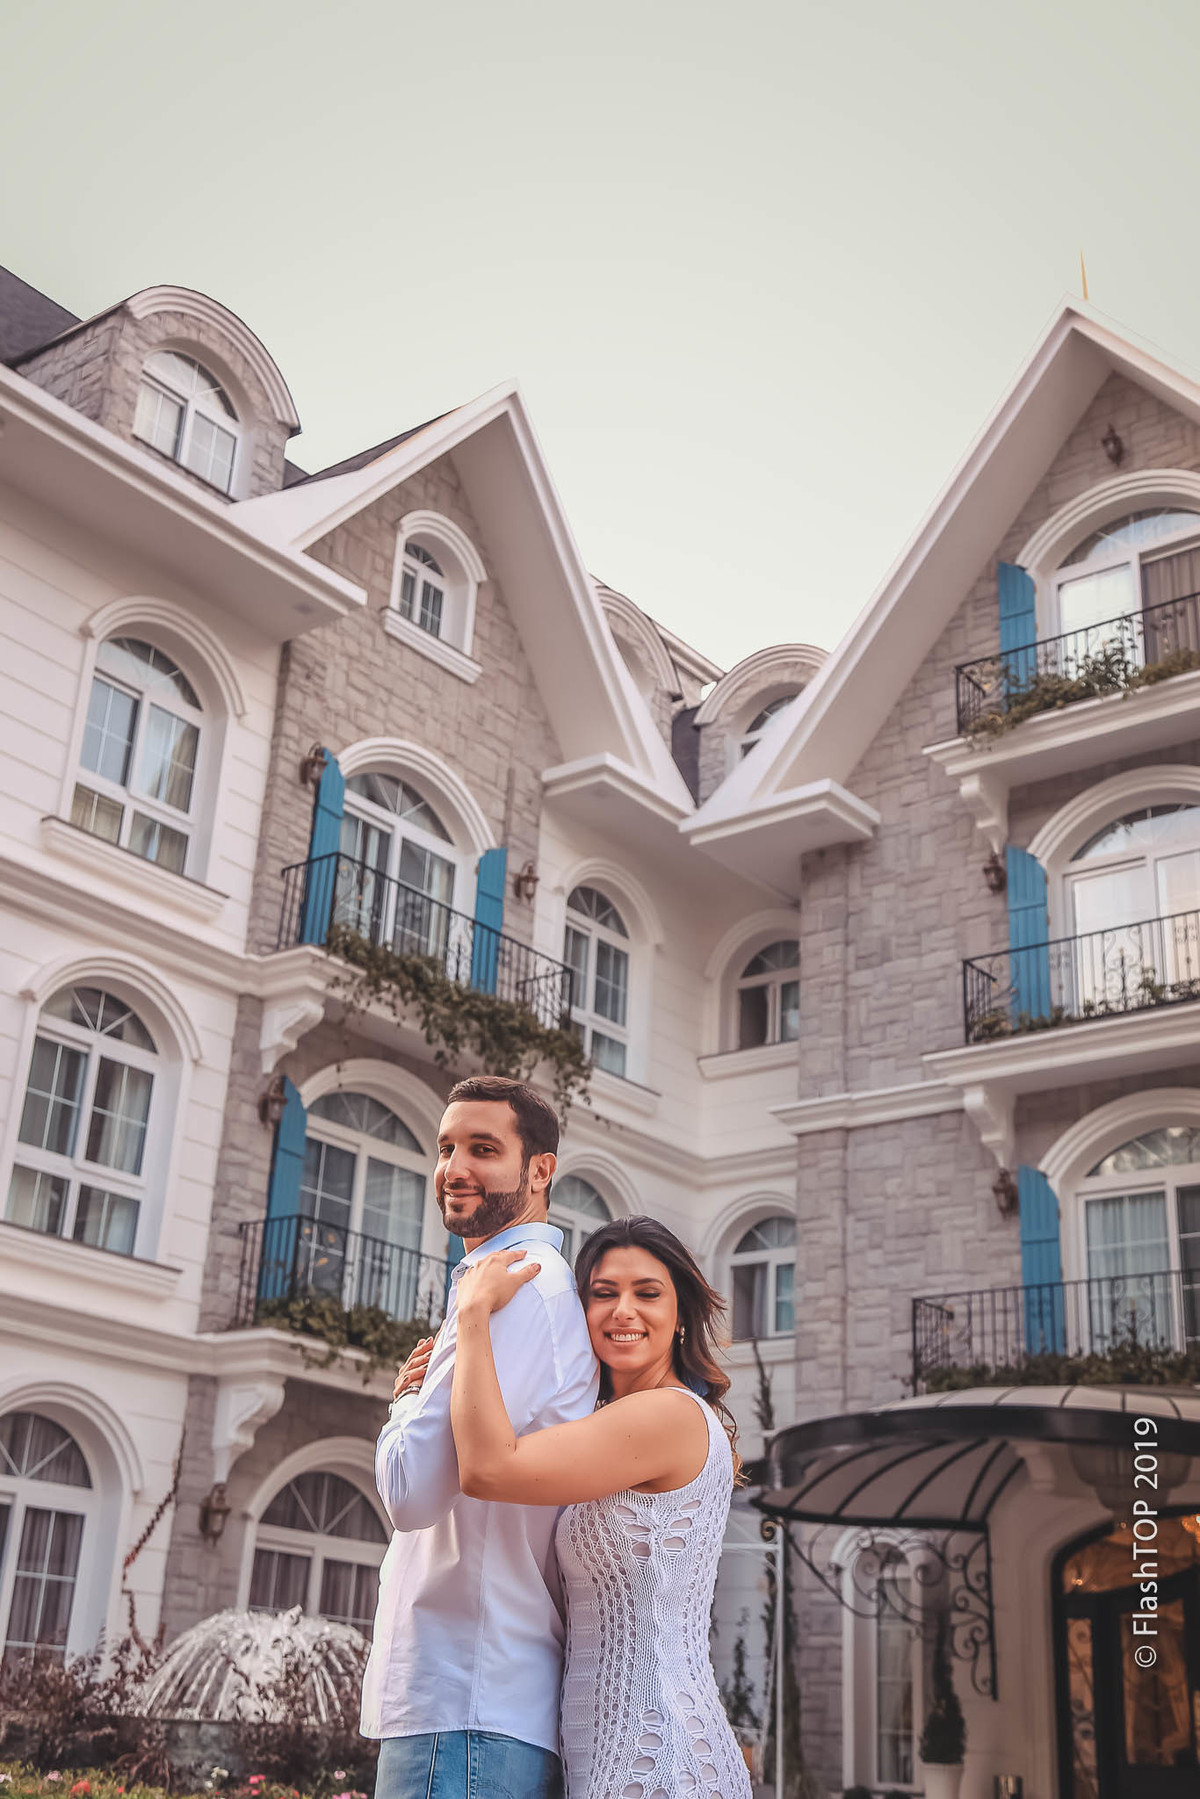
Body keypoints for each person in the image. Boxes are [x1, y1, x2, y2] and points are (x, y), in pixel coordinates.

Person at [447, 1213, 752, 1799]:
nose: (623, 1311)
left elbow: (487, 1468)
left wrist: (472, 1313)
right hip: (610, 1753)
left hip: (658, 1755)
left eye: (648, 1293)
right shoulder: (610, 1425)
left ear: (681, 1314)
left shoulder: (667, 1414)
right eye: (603, 1293)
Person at [361, 1074, 598, 1799]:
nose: (455, 1168)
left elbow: (412, 1492)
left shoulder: (511, 1289)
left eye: (483, 1148)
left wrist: (401, 1402)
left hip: (464, 1701)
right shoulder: (505, 1286)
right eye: (446, 1147)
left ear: (540, 1169)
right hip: (472, 1706)